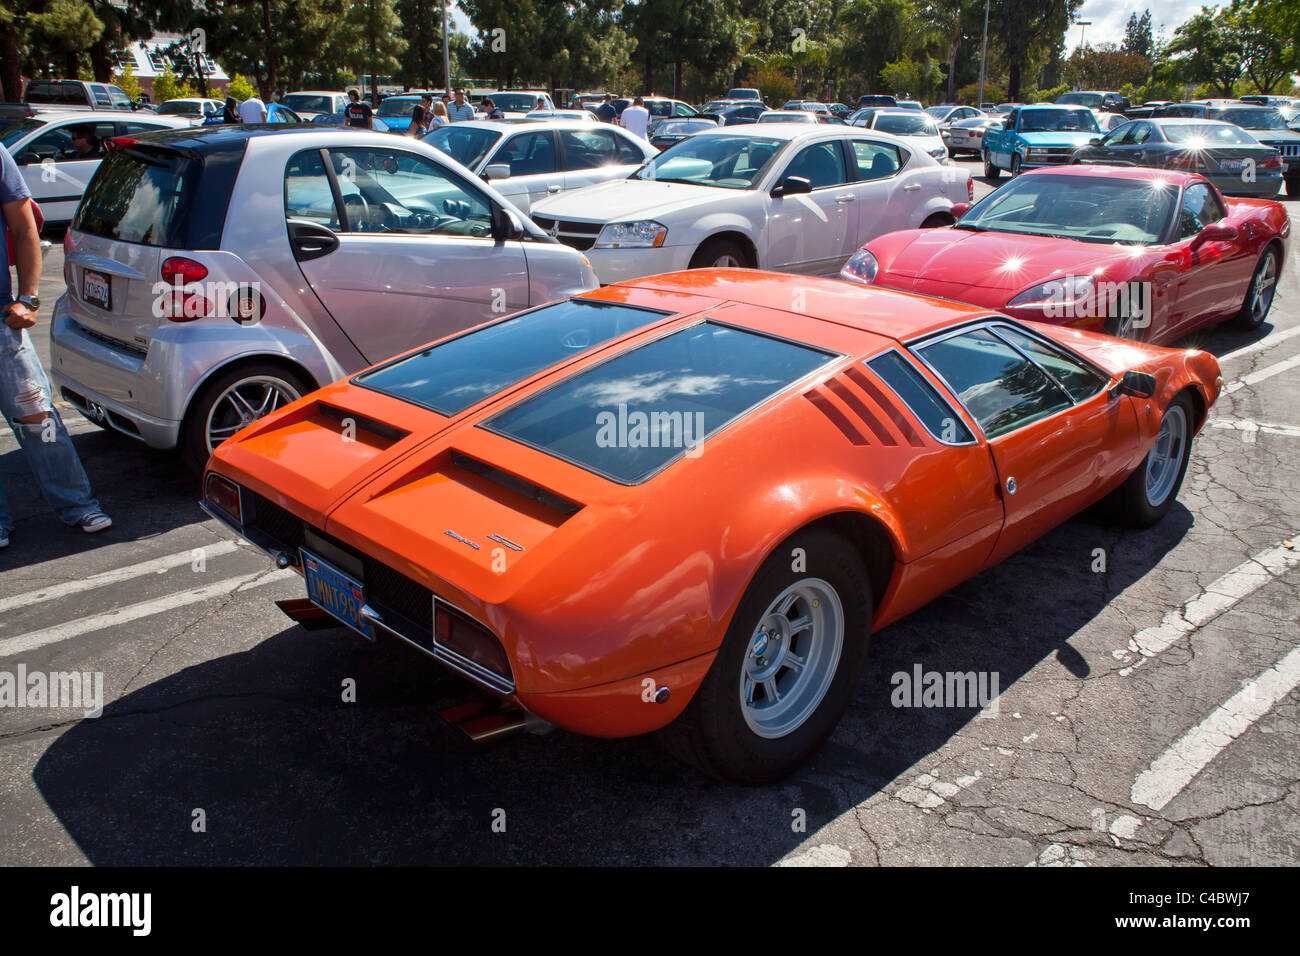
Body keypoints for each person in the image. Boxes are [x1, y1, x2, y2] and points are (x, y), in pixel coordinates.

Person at [0, 146, 111, 549]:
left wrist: (28, 298)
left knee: (39, 420)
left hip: (1, 324)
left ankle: (77, 505)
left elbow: (23, 225)